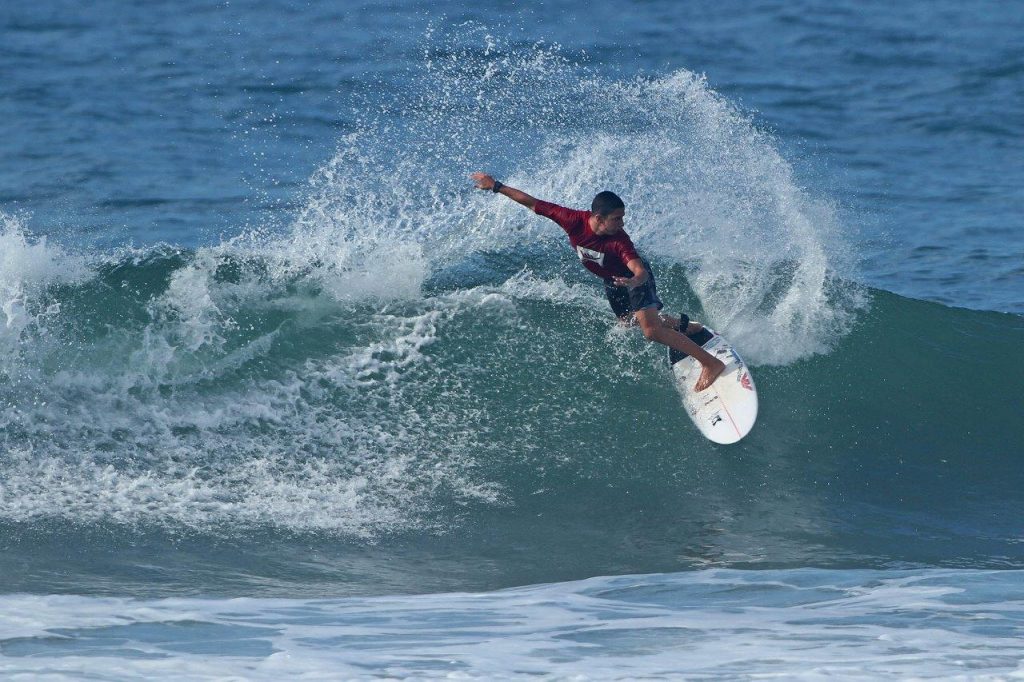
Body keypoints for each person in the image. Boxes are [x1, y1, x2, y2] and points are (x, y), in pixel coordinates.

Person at [470, 172, 725, 391]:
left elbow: (638, 269)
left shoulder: (619, 240)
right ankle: (687, 326)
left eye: (622, 217)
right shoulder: (572, 220)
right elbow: (534, 204)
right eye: (617, 218)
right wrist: (496, 186)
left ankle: (711, 363)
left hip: (632, 279)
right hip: (612, 281)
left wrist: (635, 281)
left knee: (651, 331)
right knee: (628, 322)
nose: (622, 223)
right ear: (598, 218)